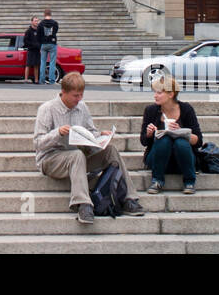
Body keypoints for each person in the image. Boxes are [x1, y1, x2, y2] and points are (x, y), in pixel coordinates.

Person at [34, 72, 145, 223]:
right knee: (77, 155)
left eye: (81, 95)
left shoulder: (82, 107)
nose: (79, 99)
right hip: (51, 159)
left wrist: (100, 136)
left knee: (110, 150)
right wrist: (58, 133)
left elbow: (90, 131)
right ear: (63, 92)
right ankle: (83, 204)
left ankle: (128, 198)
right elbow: (38, 143)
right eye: (75, 96)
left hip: (78, 155)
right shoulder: (47, 109)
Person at [139, 73, 204, 195]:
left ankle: (189, 181)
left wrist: (181, 132)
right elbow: (143, 141)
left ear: (170, 94)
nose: (155, 96)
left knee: (180, 142)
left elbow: (198, 141)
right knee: (164, 140)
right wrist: (149, 134)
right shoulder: (151, 110)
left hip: (182, 158)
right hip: (158, 158)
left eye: (159, 93)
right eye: (155, 92)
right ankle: (157, 180)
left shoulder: (186, 109)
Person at [37, 9, 59, 84]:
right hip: (52, 44)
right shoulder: (55, 23)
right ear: (50, 14)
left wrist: (40, 45)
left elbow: (38, 36)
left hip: (43, 44)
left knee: (43, 62)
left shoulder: (40, 24)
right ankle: (52, 80)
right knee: (52, 63)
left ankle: (42, 80)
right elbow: (55, 32)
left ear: (44, 14)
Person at [22, 16, 42, 84]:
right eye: (35, 21)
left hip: (37, 51)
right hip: (30, 50)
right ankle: (26, 80)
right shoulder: (28, 31)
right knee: (28, 65)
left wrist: (39, 46)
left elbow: (41, 40)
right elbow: (25, 41)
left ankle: (36, 80)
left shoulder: (39, 31)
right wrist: (33, 45)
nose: (37, 22)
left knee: (36, 65)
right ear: (32, 22)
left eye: (37, 21)